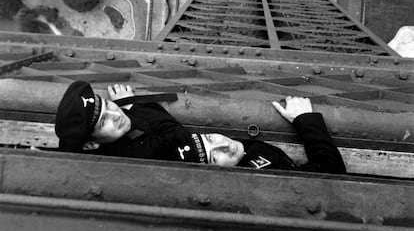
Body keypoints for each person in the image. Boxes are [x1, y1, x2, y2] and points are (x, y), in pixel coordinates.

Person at [55, 81, 346, 174]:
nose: (116, 114)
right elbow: (175, 134)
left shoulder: (118, 149)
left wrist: (131, 107)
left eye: (108, 105)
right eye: (104, 120)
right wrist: (306, 120)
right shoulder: (142, 157)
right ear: (91, 144)